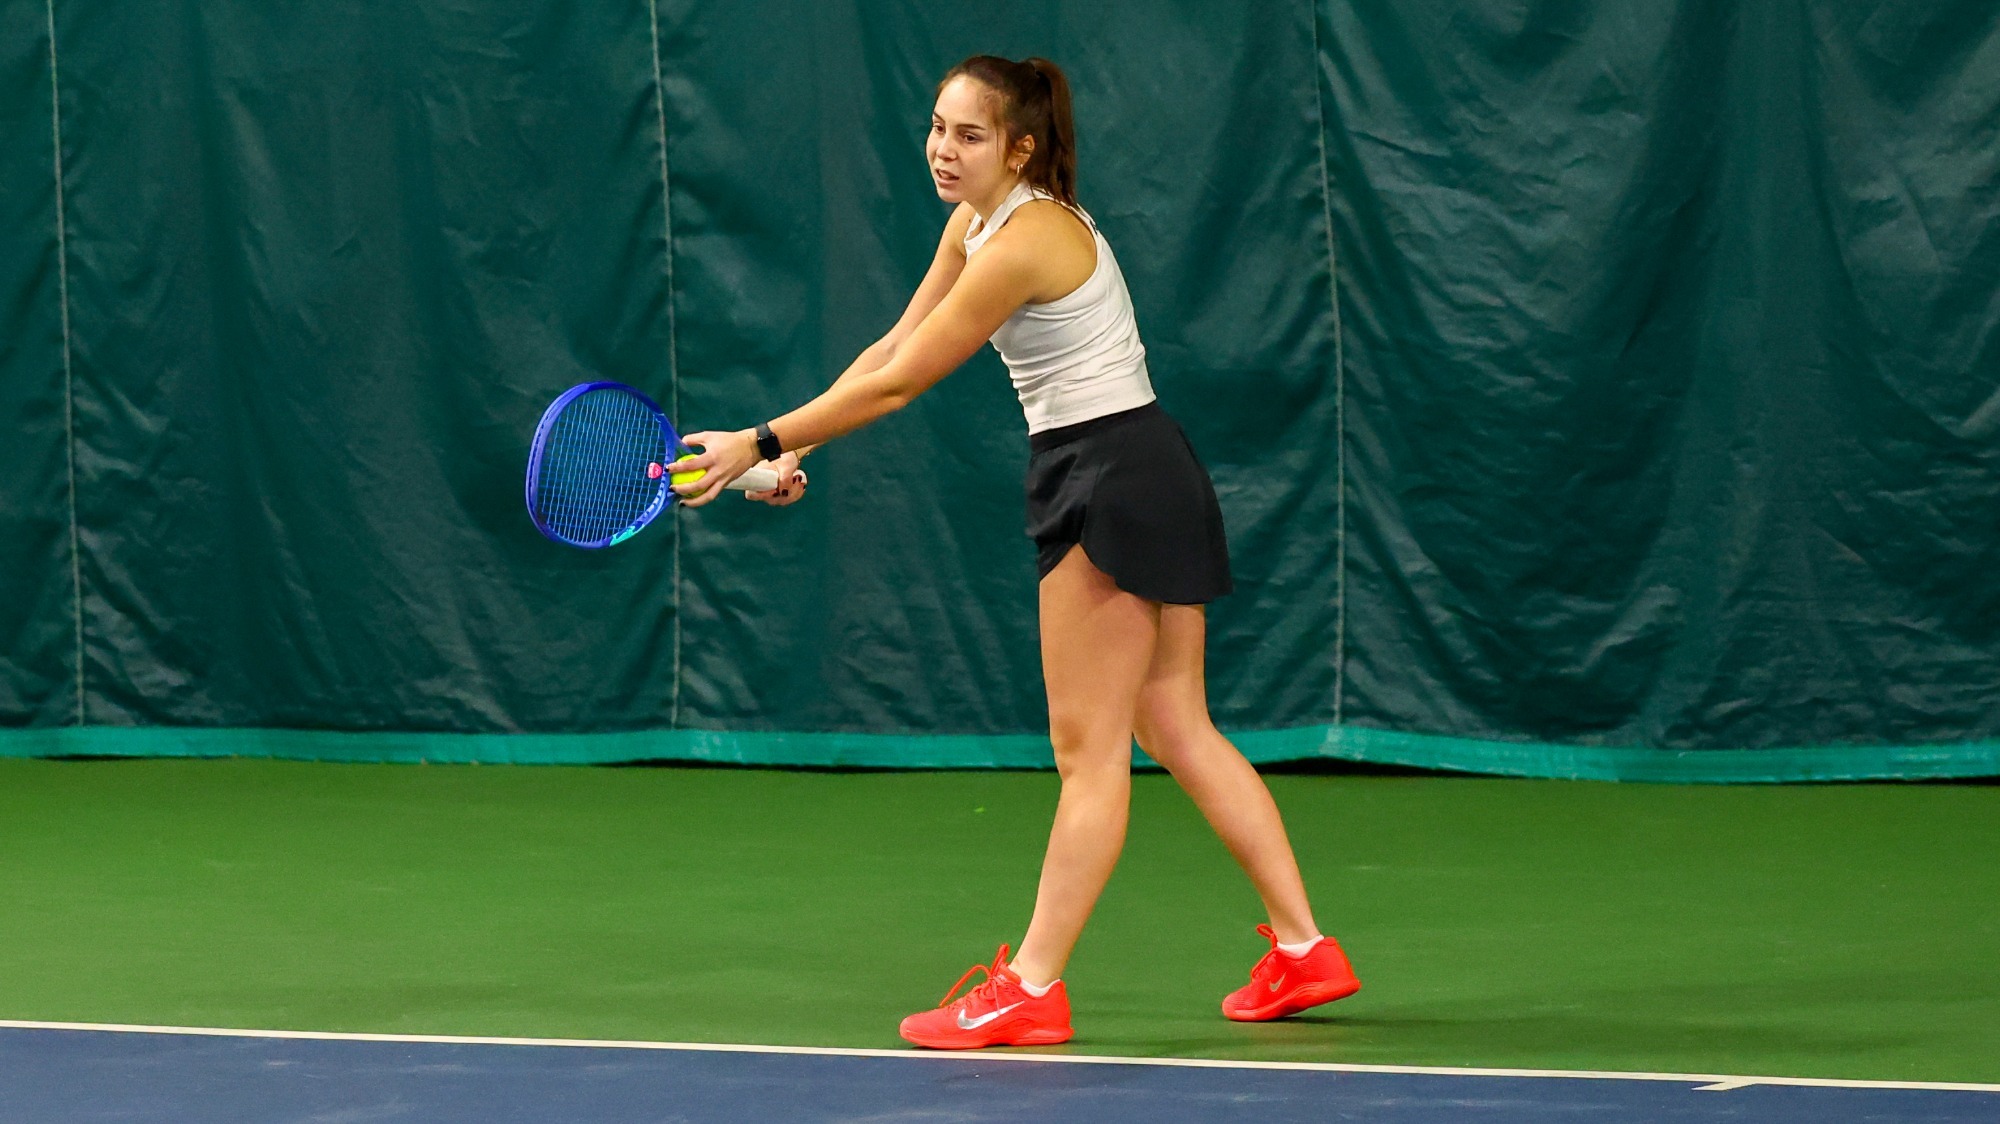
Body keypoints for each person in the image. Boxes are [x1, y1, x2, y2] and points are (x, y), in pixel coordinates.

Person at [670, 54, 1360, 1049]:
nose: (943, 150)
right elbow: (890, 348)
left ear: (1021, 148)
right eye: (937, 127)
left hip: (1106, 478)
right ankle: (1304, 948)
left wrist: (757, 438)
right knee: (1175, 722)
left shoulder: (1028, 239)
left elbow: (904, 385)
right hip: (1150, 465)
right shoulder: (974, 224)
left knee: (1089, 756)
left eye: (970, 135)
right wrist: (787, 453)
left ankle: (1031, 986)